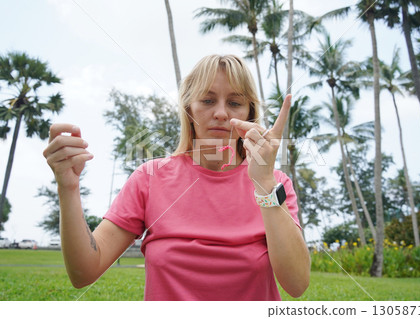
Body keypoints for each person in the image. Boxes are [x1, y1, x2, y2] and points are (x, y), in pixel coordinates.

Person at [43, 54, 310, 301]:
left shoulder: (275, 184)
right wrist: (68, 187)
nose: (220, 112)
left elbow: (296, 284)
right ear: (189, 109)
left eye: (234, 102)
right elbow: (83, 273)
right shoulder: (149, 178)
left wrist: (263, 183)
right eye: (207, 100)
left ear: (249, 113)